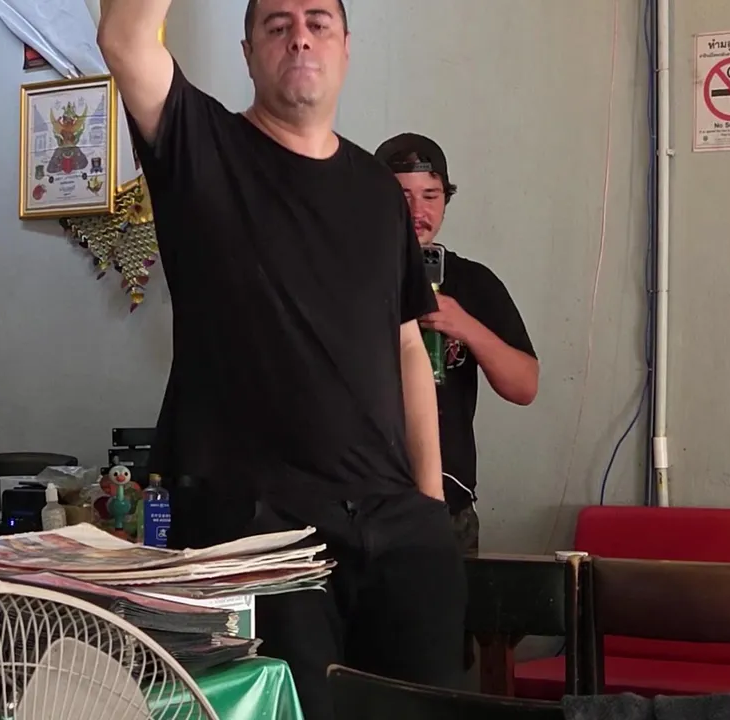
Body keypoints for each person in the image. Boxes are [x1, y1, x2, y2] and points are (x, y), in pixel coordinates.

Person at [98, 1, 467, 718]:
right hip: (257, 535)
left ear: (346, 48)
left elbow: (405, 344)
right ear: (247, 52)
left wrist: (428, 509)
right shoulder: (202, 147)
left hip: (397, 525)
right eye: (276, 24)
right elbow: (124, 36)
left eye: (317, 22)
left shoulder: (377, 190)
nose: (299, 35)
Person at [374, 133, 540, 553]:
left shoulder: (474, 283)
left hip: (450, 507)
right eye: (402, 196)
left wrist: (462, 324)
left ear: (446, 200)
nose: (418, 210)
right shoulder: (347, 278)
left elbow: (525, 386)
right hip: (362, 505)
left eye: (430, 195)